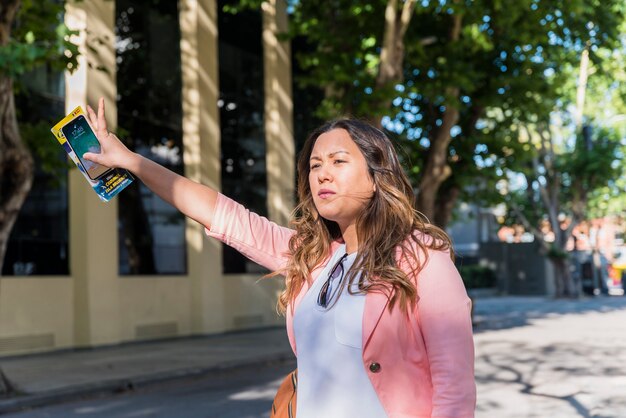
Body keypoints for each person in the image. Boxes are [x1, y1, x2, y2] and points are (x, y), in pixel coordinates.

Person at [84, 98, 476, 417]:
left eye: (339, 162)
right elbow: (219, 212)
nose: (322, 174)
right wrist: (132, 161)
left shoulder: (421, 257)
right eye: (314, 166)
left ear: (377, 177)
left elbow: (454, 390)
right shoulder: (311, 257)